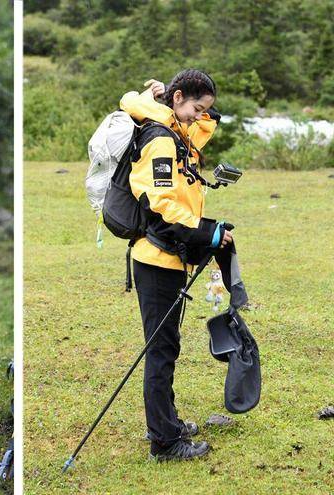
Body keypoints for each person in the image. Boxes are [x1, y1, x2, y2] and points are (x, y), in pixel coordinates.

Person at [119, 69, 233, 461]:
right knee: (161, 350)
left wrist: (165, 99)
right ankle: (165, 442)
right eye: (195, 108)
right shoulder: (160, 141)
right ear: (179, 97)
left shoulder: (177, 132)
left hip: (169, 259)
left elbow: (205, 125)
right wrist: (209, 233)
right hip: (155, 261)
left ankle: (168, 423)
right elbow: (161, 208)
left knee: (167, 345)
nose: (197, 117)